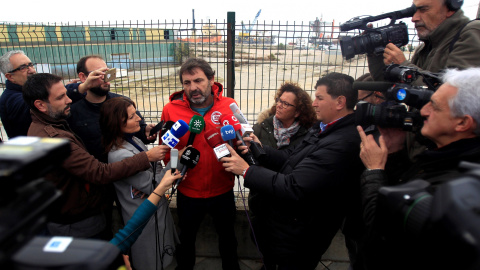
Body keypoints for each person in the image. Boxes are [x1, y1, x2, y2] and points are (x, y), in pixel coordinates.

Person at [222, 72, 364, 269]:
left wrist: (246, 171)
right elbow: (290, 156)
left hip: (304, 233)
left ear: (340, 102)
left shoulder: (341, 143)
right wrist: (259, 149)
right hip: (288, 227)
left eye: (320, 98)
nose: (314, 103)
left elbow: (294, 186)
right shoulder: (323, 128)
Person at [357, 67, 480, 269]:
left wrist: (374, 171)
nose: (423, 111)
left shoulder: (456, 187)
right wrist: (395, 150)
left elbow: (382, 228)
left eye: (435, 107)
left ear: (463, 122)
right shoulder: (441, 156)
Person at [22, 73, 170, 240]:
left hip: (79, 215)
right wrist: (146, 157)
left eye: (66, 93)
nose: (69, 99)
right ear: (40, 105)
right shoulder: (54, 138)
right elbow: (99, 173)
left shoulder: (46, 124)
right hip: (78, 223)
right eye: (61, 97)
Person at [160, 57, 240, 270]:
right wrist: (177, 167)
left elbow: (239, 142)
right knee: (186, 241)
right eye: (187, 83)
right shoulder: (171, 110)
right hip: (188, 192)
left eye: (198, 81)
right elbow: (168, 152)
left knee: (228, 241)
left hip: (223, 190)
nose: (193, 88)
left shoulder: (229, 105)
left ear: (212, 80)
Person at [100, 97, 179, 270]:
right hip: (145, 221)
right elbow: (155, 185)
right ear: (116, 123)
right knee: (153, 261)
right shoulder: (119, 155)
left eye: (136, 113)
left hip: (156, 214)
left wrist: (159, 162)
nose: (139, 119)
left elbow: (155, 166)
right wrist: (176, 158)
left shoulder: (133, 140)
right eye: (131, 116)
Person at [68, 55, 156, 163]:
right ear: (83, 77)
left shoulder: (121, 103)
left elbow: (140, 133)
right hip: (93, 174)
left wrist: (145, 132)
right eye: (98, 74)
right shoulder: (71, 109)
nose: (106, 79)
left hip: (126, 170)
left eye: (108, 74)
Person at [368, 0, 480, 82]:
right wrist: (375, 53)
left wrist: (404, 66)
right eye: (414, 11)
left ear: (450, 9)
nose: (414, 18)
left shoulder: (471, 32)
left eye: (423, 10)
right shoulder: (424, 48)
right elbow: (395, 91)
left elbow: (454, 95)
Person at [0, 50, 102, 139]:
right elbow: (48, 102)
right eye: (23, 67)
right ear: (10, 77)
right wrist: (79, 88)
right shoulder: (13, 100)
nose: (31, 70)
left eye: (30, 65)